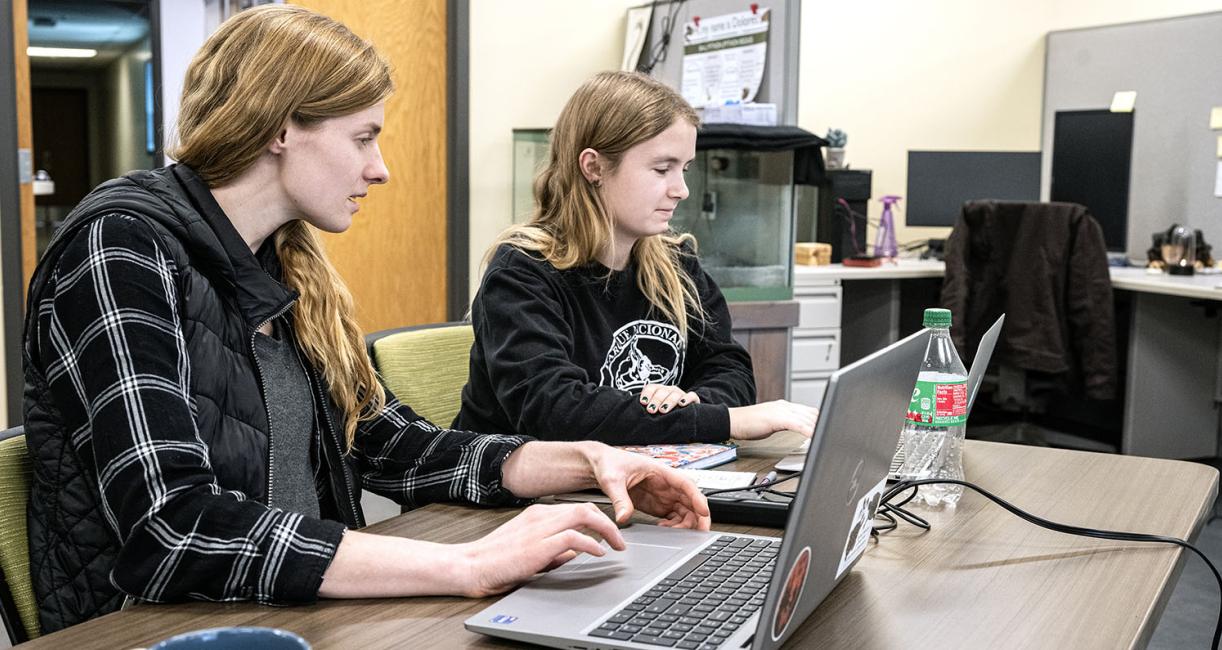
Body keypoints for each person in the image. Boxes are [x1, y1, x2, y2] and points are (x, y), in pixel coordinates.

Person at [21, 6, 708, 634]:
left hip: (299, 612)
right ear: (281, 128)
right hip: (160, 631)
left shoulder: (280, 263)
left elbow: (390, 445)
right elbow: (175, 527)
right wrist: (466, 565)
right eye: (363, 137)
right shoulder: (119, 247)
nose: (379, 169)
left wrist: (586, 461)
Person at [454, 71, 818, 445]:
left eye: (685, 169)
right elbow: (556, 411)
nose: (682, 190)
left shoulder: (676, 266)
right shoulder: (522, 273)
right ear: (594, 167)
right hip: (518, 499)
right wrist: (707, 420)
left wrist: (692, 402)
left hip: (634, 479)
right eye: (662, 169)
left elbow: (729, 368)